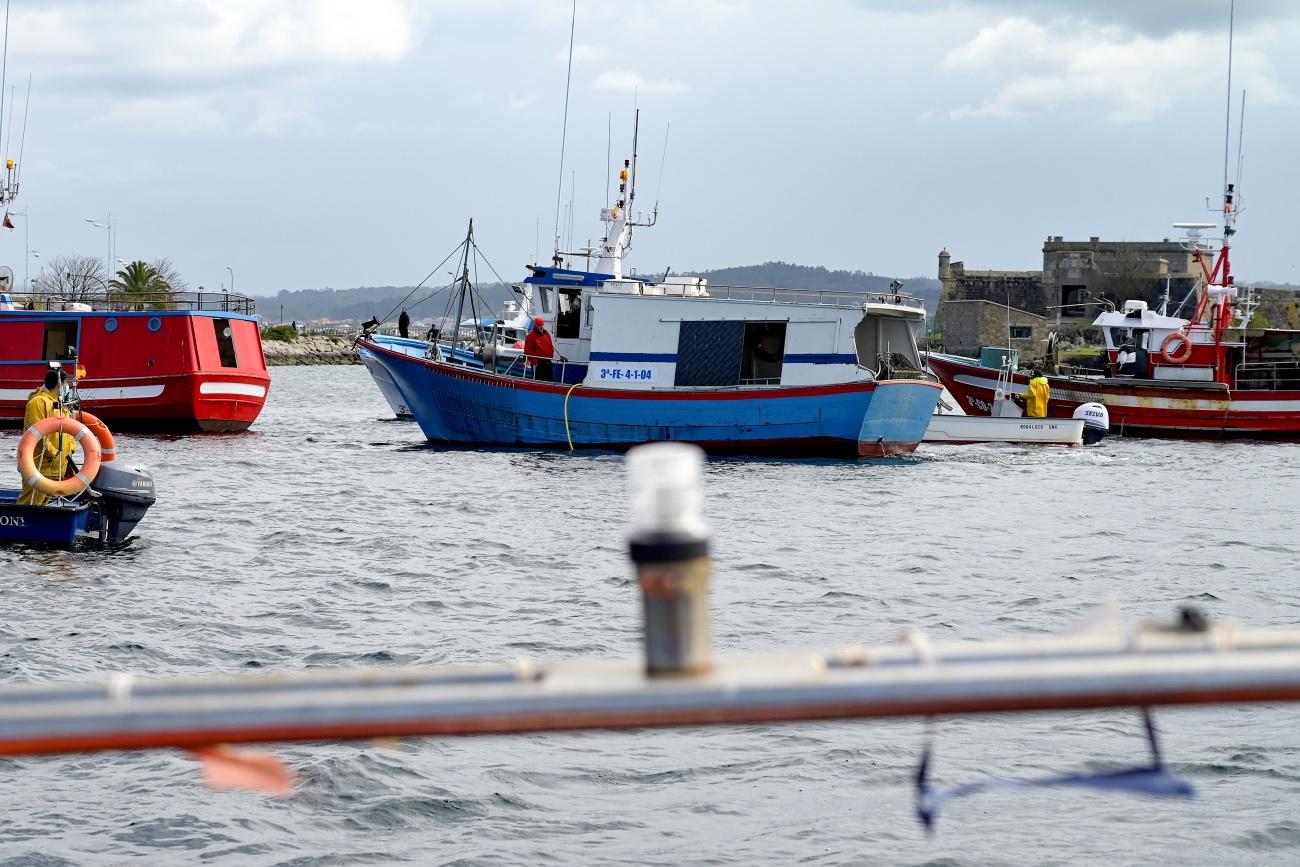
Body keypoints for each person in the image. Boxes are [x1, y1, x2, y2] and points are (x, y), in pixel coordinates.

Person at [17, 369, 76, 506]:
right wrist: (54, 453)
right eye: (66, 383)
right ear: (59, 385)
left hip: (56, 467)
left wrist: (70, 450)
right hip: (39, 465)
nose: (68, 387)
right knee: (30, 502)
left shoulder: (61, 405)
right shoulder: (38, 403)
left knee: (43, 502)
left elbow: (69, 433)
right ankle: (20, 524)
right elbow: (37, 433)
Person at [523, 316, 555, 382]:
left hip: (548, 363)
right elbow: (528, 351)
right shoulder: (530, 336)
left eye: (542, 325)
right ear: (535, 326)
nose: (541, 327)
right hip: (538, 364)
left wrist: (551, 356)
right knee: (538, 380)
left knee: (549, 381)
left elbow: (550, 346)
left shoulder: (546, 334)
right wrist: (535, 362)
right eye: (539, 325)